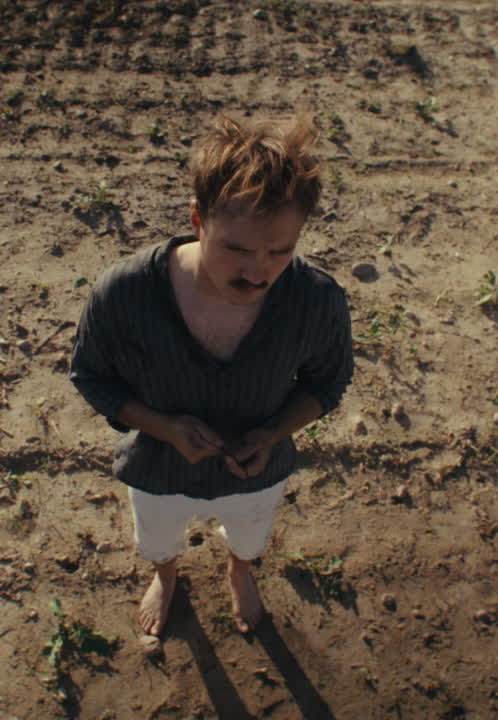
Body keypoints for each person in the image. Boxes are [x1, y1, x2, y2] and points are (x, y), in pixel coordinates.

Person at [69, 113, 354, 635]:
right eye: (237, 249)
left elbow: (327, 382)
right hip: (157, 469)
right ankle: (166, 575)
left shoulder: (316, 300)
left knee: (249, 536)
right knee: (157, 539)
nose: (257, 272)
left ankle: (239, 570)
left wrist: (272, 434)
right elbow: (91, 376)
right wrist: (166, 430)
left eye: (280, 251)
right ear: (198, 220)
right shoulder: (124, 292)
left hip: (257, 473)